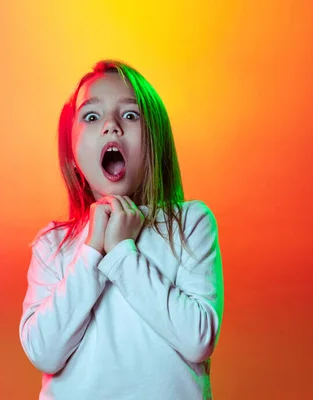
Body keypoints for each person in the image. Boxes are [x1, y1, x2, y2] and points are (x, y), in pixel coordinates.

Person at [19, 59, 224, 400]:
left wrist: (122, 254)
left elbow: (198, 339)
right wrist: (92, 252)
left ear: (154, 145)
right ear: (72, 154)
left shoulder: (190, 223)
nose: (111, 126)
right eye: (91, 116)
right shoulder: (52, 244)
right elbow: (44, 351)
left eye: (130, 115)